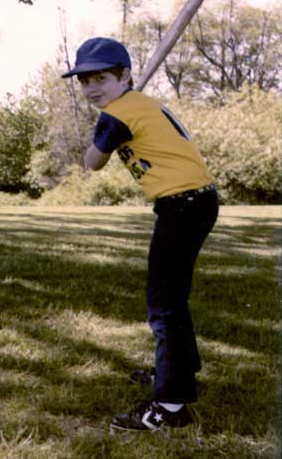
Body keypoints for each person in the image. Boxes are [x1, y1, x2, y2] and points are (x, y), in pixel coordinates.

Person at [62, 37, 219, 432]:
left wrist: (104, 129)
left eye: (101, 78)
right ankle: (177, 375)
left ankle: (170, 407)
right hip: (193, 202)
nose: (92, 88)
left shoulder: (119, 114)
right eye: (84, 81)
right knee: (170, 298)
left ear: (126, 76)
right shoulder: (135, 105)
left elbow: (92, 163)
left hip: (183, 204)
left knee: (164, 304)